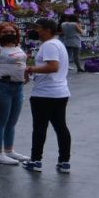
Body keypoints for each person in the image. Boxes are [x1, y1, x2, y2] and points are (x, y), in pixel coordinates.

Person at [22, 18, 71, 174]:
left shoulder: (49, 45)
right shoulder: (58, 44)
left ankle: (36, 160)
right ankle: (64, 162)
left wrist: (31, 69)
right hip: (60, 92)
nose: (35, 31)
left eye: (38, 28)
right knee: (60, 127)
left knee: (40, 128)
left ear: (48, 30)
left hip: (45, 94)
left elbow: (53, 67)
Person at [0, 20, 28, 165]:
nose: (9, 34)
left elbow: (21, 63)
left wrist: (25, 74)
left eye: (12, 32)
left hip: (18, 87)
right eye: (5, 32)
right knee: (0, 122)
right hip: (1, 87)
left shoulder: (17, 47)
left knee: (12, 122)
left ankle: (9, 151)